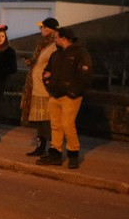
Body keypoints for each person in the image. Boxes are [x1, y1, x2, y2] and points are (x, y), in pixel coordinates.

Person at [37, 27, 93, 169]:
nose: (54, 40)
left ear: (63, 38)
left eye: (56, 37)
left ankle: (73, 153)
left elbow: (85, 75)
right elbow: (47, 71)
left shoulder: (80, 53)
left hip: (70, 96)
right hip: (55, 94)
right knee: (55, 125)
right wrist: (48, 84)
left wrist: (73, 92)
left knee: (68, 125)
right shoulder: (56, 55)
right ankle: (55, 152)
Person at [20, 17, 59, 156]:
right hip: (36, 87)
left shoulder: (54, 45)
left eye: (42, 27)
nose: (40, 30)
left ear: (49, 29)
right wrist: (32, 62)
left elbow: (52, 65)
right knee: (40, 119)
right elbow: (40, 62)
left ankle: (53, 148)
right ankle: (41, 146)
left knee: (46, 120)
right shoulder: (43, 44)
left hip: (44, 89)